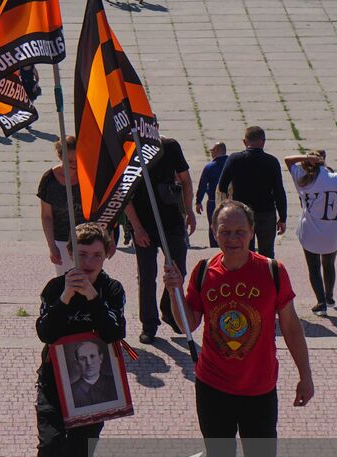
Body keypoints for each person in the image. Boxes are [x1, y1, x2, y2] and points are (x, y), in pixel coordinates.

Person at [162, 200, 313, 457]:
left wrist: (305, 375)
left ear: (252, 233)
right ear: (214, 233)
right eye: (225, 232)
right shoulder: (202, 273)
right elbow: (187, 325)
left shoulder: (272, 272)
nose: (233, 239)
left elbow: (291, 326)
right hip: (213, 386)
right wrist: (173, 290)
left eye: (239, 232)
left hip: (260, 388)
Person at [28, 222, 127, 457]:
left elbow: (114, 331)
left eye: (96, 256)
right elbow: (45, 331)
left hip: (92, 392)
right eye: (82, 254)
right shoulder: (56, 286)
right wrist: (68, 297)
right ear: (71, 253)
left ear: (107, 255)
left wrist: (94, 298)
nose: (88, 262)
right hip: (54, 385)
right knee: (51, 450)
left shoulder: (112, 289)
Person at [124, 136, 194, 343]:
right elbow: (124, 191)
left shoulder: (170, 146)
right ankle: (149, 323)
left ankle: (170, 310)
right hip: (143, 224)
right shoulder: (129, 149)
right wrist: (136, 228)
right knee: (147, 275)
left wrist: (189, 210)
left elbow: (186, 179)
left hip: (172, 221)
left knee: (178, 269)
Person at [285, 151, 337, 316]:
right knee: (329, 265)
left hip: (310, 232)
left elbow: (287, 160)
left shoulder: (302, 179)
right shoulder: (336, 179)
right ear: (323, 163)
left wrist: (305, 157)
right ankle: (329, 297)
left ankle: (321, 303)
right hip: (332, 232)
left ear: (308, 163)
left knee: (314, 268)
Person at [217, 126, 287, 257]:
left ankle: (244, 278)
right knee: (266, 255)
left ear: (245, 142)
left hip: (242, 213)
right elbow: (279, 191)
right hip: (266, 213)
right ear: (263, 141)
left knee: (243, 253)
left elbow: (222, 186)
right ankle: (266, 277)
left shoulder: (234, 159)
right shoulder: (272, 162)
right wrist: (282, 217)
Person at [38, 136, 79, 268]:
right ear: (61, 157)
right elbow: (46, 216)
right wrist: (52, 246)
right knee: (66, 282)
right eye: (70, 160)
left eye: (78, 159)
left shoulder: (89, 175)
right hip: (62, 240)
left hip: (88, 239)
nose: (74, 164)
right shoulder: (49, 179)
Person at [195, 142, 228, 247]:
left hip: (213, 202)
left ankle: (214, 247)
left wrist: (198, 201)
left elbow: (202, 186)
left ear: (217, 150)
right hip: (230, 201)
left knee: (214, 225)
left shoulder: (209, 167)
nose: (211, 153)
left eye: (212, 150)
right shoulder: (231, 163)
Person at [68, 339, 116, 406]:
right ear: (77, 362)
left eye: (92, 356)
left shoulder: (115, 383)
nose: (89, 363)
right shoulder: (70, 392)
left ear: (101, 358)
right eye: (83, 358)